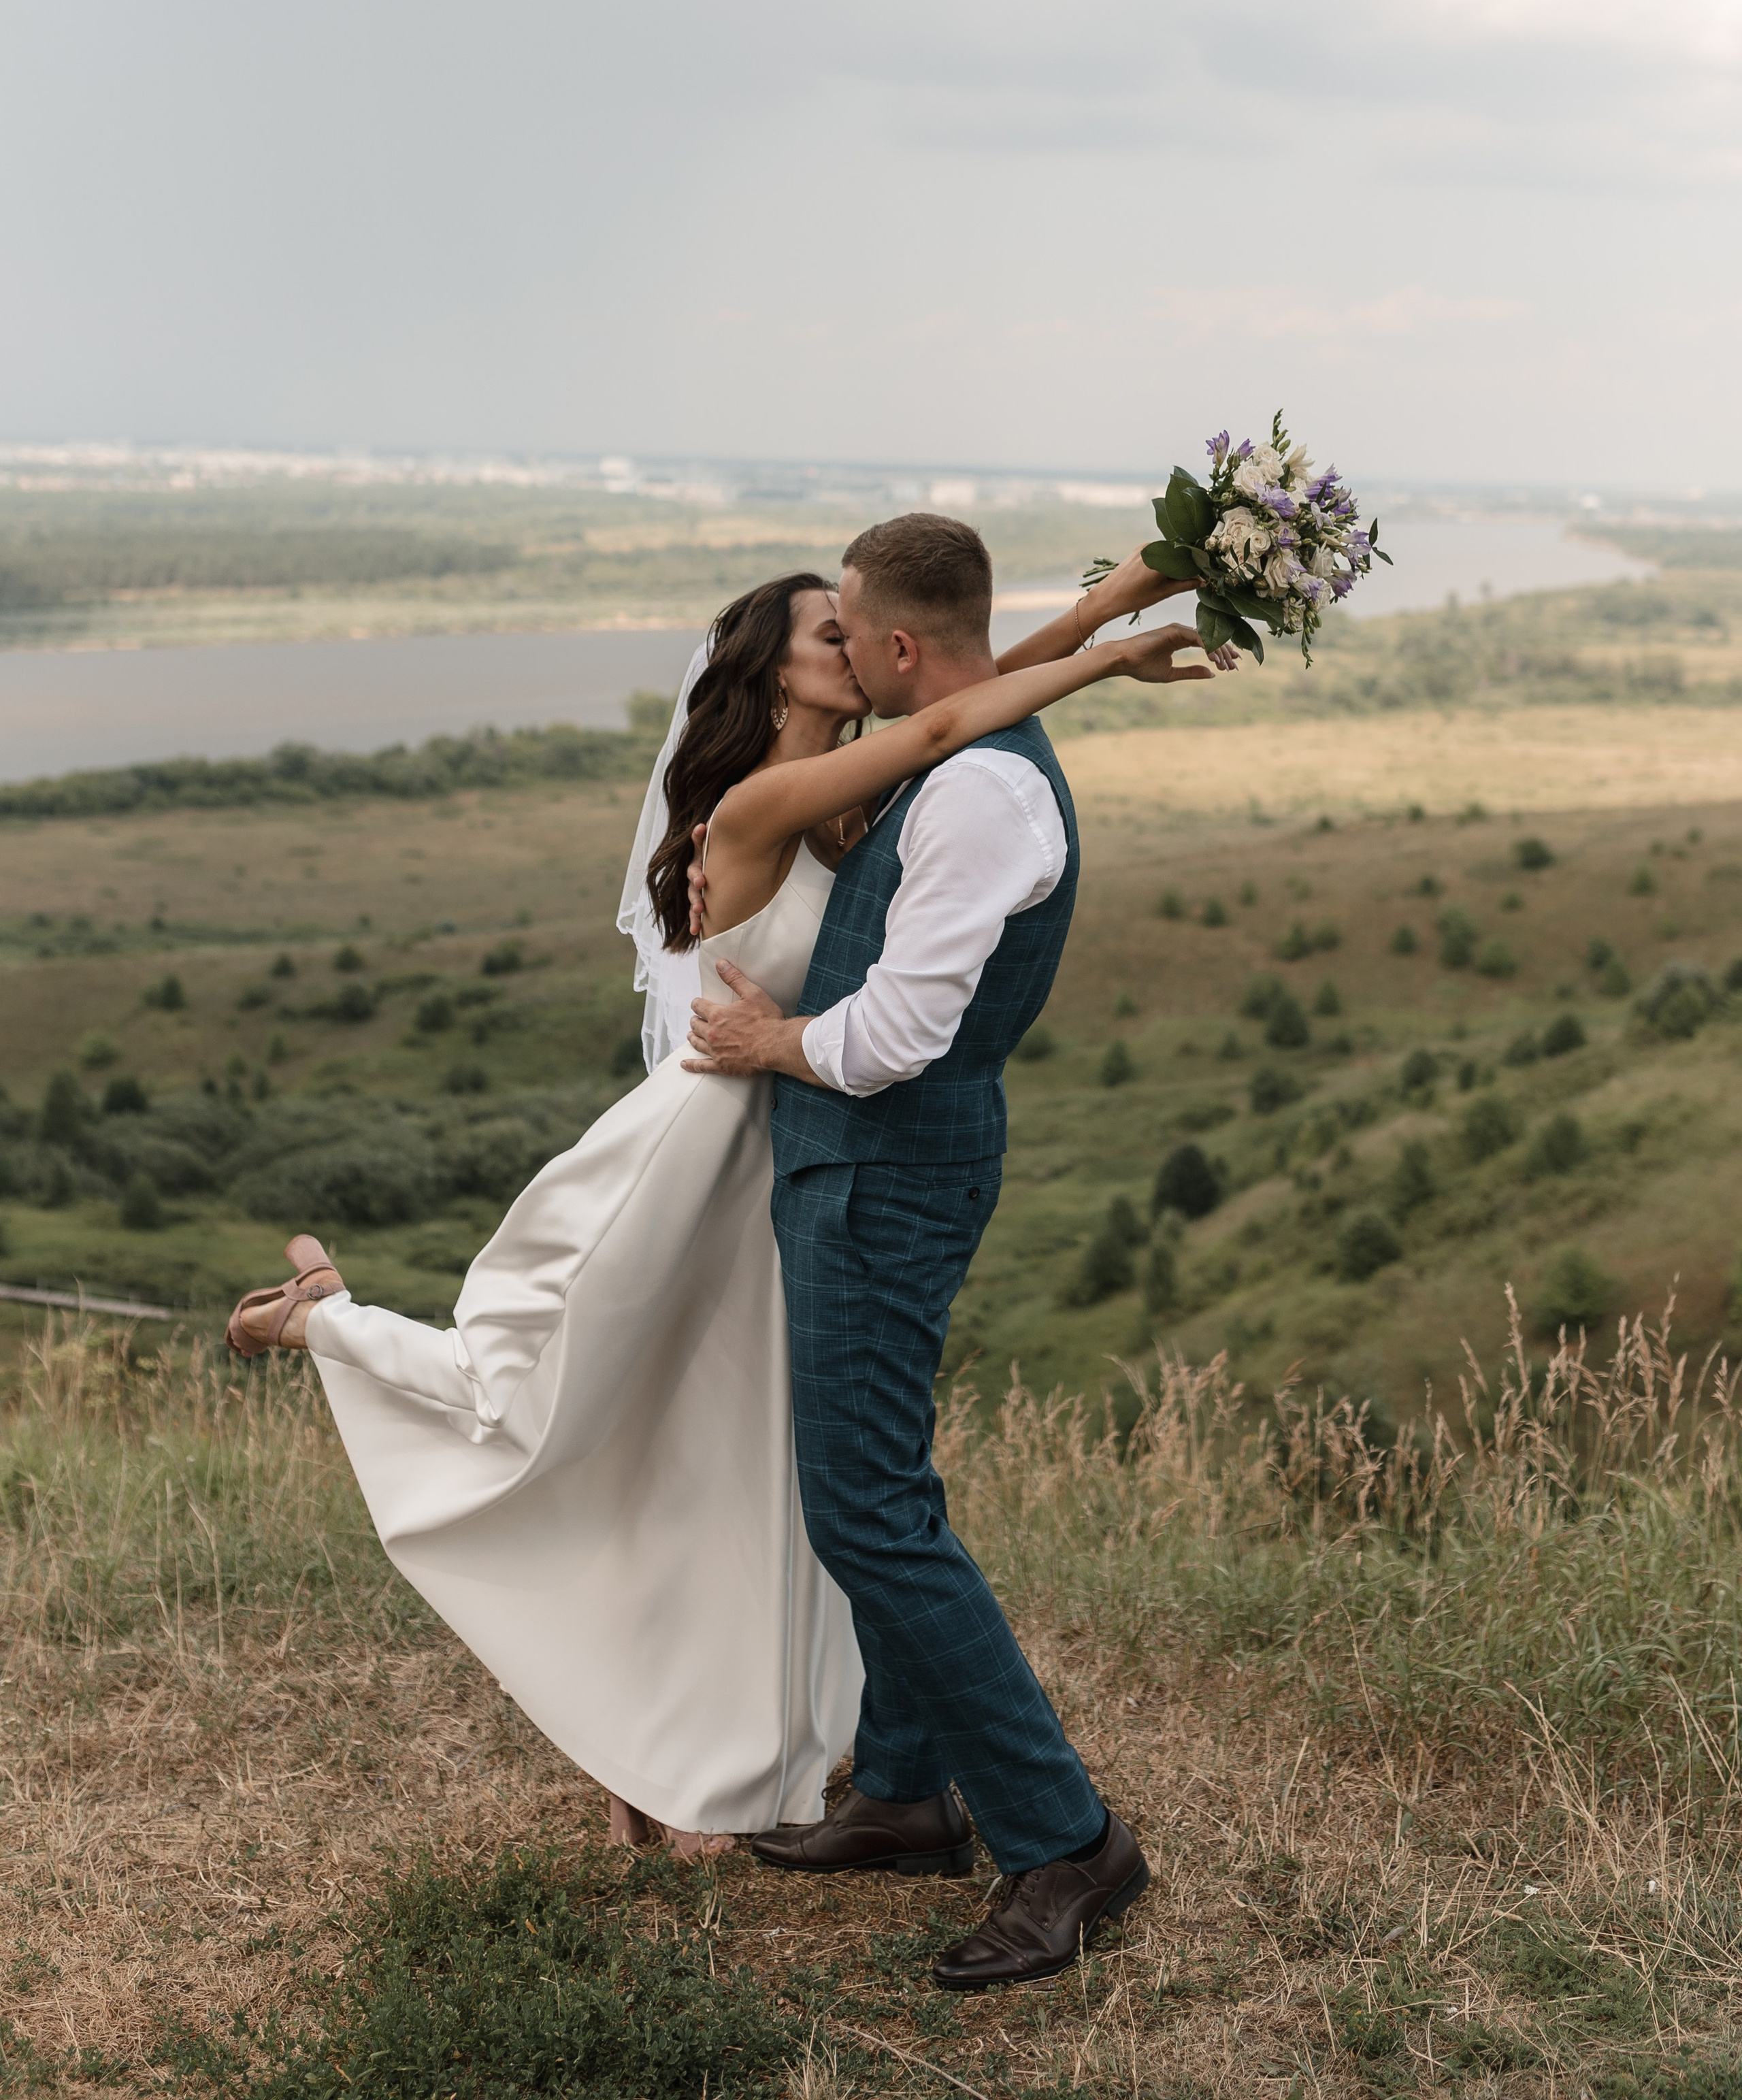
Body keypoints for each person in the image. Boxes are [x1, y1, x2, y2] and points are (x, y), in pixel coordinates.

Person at [224, 528, 1231, 1896]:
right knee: (556, 1401)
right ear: (773, 681)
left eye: (854, 625)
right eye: (827, 632)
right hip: (711, 1142)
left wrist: (1119, 597)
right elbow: (950, 702)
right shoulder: (759, 811)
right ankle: (326, 1327)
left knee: (742, 1462)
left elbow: (960, 684)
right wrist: (1111, 651)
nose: (850, 642)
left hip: (794, 1133)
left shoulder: (844, 793)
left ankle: (803, 1769)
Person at [683, 514, 1185, 1986]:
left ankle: (1063, 1838)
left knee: (867, 1513)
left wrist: (769, 1039)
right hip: (860, 1164)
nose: (843, 647)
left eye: (851, 629)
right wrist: (1119, 607)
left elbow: (900, 1034)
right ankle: (903, 1794)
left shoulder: (972, 793)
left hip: (882, 1169)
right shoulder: (951, 753)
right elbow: (981, 690)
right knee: (880, 1482)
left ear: (899, 650)